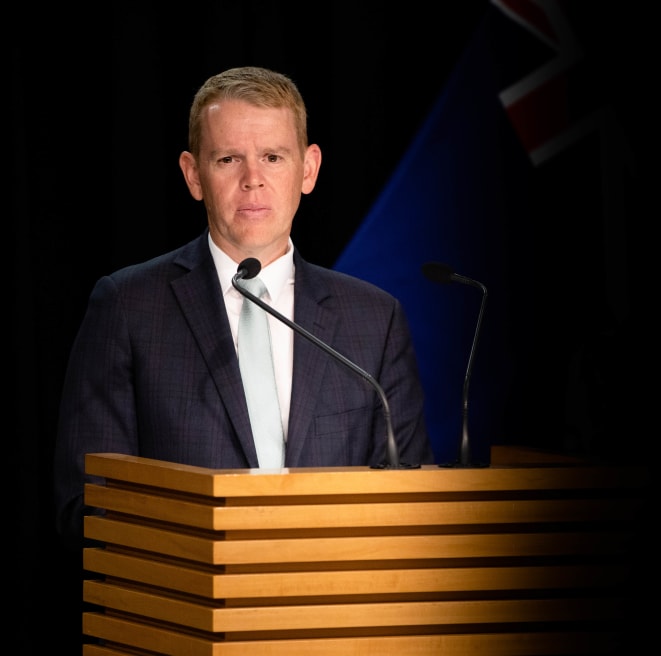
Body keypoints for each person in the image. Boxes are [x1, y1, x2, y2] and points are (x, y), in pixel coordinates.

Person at [53, 66, 432, 550]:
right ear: (194, 175)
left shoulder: (374, 320)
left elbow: (411, 500)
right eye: (229, 158)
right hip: (183, 610)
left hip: (335, 612)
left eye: (273, 157)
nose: (253, 179)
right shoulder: (127, 308)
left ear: (309, 169)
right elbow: (85, 503)